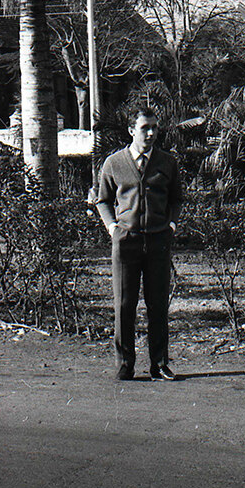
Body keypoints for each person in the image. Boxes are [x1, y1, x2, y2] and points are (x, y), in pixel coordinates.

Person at [96, 104, 183, 381]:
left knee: (158, 305)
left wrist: (171, 226)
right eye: (145, 128)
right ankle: (125, 363)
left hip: (158, 241)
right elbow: (102, 200)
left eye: (155, 128)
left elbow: (176, 199)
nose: (151, 133)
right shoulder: (114, 163)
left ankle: (159, 364)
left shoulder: (167, 162)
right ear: (131, 130)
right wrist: (113, 229)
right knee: (124, 305)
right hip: (126, 243)